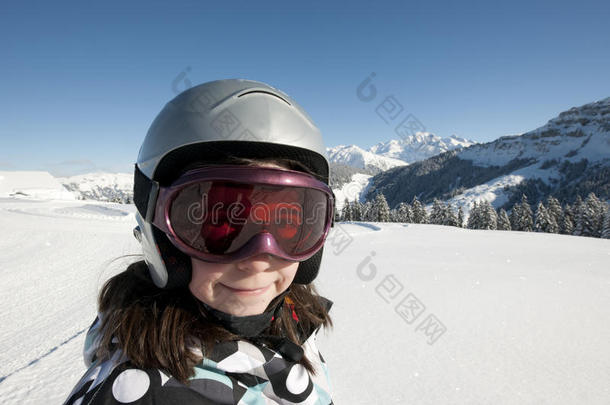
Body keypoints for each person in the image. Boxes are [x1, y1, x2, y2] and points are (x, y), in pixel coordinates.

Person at [63, 79, 335, 404]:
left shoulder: (292, 316)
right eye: (218, 222)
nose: (259, 258)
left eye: (287, 222)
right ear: (161, 235)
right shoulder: (141, 391)